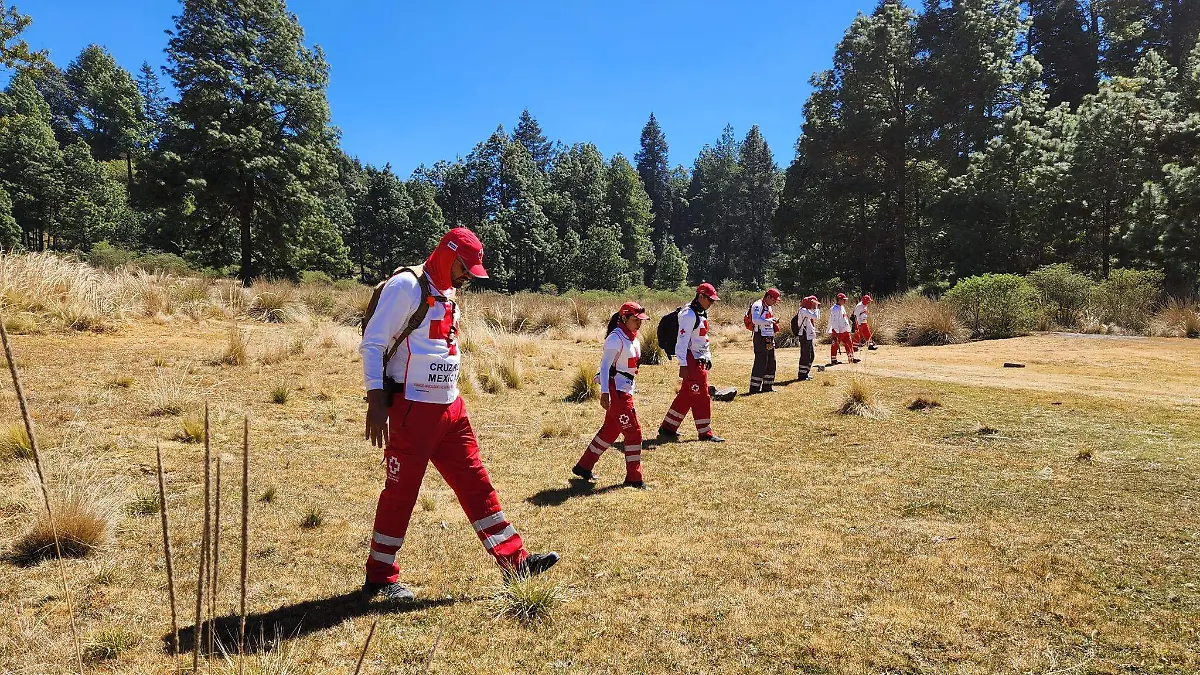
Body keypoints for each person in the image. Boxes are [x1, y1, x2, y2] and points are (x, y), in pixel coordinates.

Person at [360, 228, 559, 603]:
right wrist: (375, 399)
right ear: (449, 257)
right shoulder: (406, 286)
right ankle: (381, 576)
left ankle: (515, 562)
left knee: (476, 483)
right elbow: (372, 342)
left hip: (451, 408)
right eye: (465, 269)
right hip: (411, 411)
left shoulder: (449, 290)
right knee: (401, 493)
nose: (468, 277)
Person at [572, 302, 650, 488]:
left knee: (610, 431)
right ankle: (634, 478)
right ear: (624, 318)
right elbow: (605, 368)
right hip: (618, 393)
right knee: (634, 434)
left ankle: (584, 466)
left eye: (641, 320)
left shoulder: (633, 338)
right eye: (635, 320)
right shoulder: (615, 339)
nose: (639, 324)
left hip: (625, 390)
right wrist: (605, 393)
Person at [658, 283, 726, 443]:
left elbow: (702, 339)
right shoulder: (688, 314)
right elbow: (681, 342)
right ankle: (705, 433)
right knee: (701, 396)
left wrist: (708, 356)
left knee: (686, 395)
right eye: (710, 300)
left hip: (700, 359)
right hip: (692, 360)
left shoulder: (700, 312)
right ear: (700, 296)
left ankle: (668, 427)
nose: (712, 303)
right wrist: (683, 364)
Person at [748, 288, 782, 394]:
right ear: (768, 297)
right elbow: (755, 320)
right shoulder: (757, 305)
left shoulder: (769, 307)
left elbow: (765, 320)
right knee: (760, 362)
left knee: (771, 361)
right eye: (774, 300)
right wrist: (769, 321)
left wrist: (772, 321)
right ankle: (754, 388)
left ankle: (768, 386)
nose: (775, 302)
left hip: (768, 336)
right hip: (760, 337)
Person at [828, 292, 859, 366]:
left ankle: (851, 358)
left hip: (845, 330)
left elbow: (844, 318)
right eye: (843, 299)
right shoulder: (834, 309)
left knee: (849, 344)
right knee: (835, 345)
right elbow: (834, 321)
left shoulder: (842, 307)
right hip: (838, 331)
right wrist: (836, 331)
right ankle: (834, 360)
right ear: (839, 299)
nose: (845, 301)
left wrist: (848, 329)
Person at [797, 295, 820, 380]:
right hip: (804, 334)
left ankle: (806, 372)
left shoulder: (807, 311)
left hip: (808, 334)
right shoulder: (803, 310)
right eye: (813, 304)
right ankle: (802, 375)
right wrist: (816, 308)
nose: (814, 305)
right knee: (805, 355)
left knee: (811, 355)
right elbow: (816, 317)